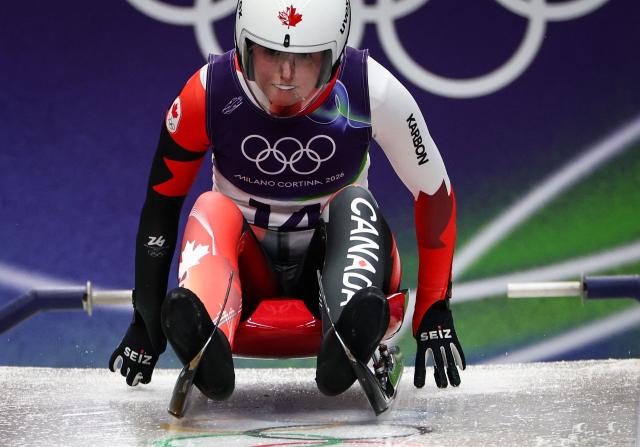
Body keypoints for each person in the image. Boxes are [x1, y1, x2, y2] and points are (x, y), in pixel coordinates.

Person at [109, 0, 466, 399]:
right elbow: (162, 202)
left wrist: (434, 306)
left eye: (306, 57)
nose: (284, 75)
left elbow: (434, 193)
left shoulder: (374, 89)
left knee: (354, 201)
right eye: (270, 52)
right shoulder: (207, 93)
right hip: (245, 275)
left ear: (335, 55)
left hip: (335, 264)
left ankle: (345, 339)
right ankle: (207, 342)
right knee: (211, 207)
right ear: (245, 48)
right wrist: (147, 318)